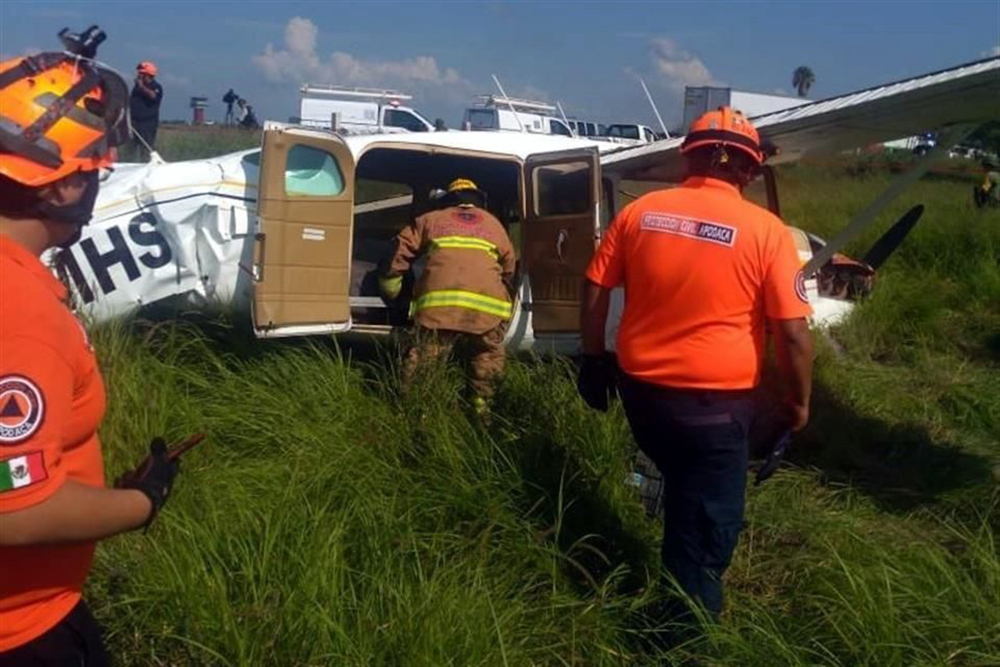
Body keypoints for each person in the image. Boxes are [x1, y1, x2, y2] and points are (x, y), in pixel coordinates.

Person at [579, 106, 814, 624]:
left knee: (678, 474)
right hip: (713, 409)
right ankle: (681, 637)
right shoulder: (768, 232)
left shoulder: (639, 213)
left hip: (641, 397)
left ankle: (671, 518)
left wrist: (592, 359)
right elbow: (794, 334)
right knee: (708, 525)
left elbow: (595, 287)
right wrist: (797, 405)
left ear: (688, 159)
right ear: (748, 171)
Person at [0, 42, 181, 665]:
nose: (99, 182)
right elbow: (15, 509)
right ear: (58, 190)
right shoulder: (19, 314)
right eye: (96, 169)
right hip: (24, 632)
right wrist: (142, 502)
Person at [379, 178, 516, 414]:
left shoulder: (430, 220)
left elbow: (396, 253)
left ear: (449, 200)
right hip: (486, 308)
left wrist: (392, 292)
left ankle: (414, 412)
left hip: (438, 309)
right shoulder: (494, 225)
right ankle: (483, 413)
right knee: (487, 358)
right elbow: (509, 268)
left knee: (424, 359)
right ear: (478, 200)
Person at [129, 61, 163, 161]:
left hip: (147, 124)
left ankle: (147, 167)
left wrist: (142, 87)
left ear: (148, 75)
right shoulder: (137, 88)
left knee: (145, 148)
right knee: (131, 148)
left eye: (141, 73)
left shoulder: (156, 86)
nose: (139, 75)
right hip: (134, 122)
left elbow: (153, 96)